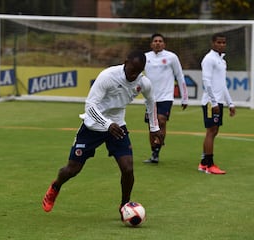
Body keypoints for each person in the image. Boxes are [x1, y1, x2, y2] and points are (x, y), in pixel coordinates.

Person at [42, 50, 164, 217]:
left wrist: (154, 127)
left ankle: (124, 207)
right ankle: (55, 187)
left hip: (118, 126)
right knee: (72, 170)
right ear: (125, 62)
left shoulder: (144, 83)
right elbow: (90, 107)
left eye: (138, 71)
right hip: (93, 126)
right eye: (132, 70)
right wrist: (107, 124)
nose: (134, 75)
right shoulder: (108, 76)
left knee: (128, 169)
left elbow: (151, 102)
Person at [143, 33, 188, 164]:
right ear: (151, 44)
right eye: (155, 41)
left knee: (161, 121)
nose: (157, 43)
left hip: (166, 96)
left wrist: (184, 98)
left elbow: (179, 76)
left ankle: (157, 150)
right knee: (152, 126)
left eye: (160, 41)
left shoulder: (171, 57)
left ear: (164, 44)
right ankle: (154, 152)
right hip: (150, 98)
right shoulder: (146, 57)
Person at [198, 33, 236, 174]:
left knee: (214, 131)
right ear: (212, 43)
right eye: (218, 42)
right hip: (210, 102)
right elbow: (206, 82)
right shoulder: (209, 59)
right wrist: (213, 102)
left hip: (217, 101)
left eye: (223, 43)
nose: (221, 45)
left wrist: (230, 103)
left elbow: (222, 84)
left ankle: (203, 163)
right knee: (211, 131)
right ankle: (210, 165)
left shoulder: (221, 60)